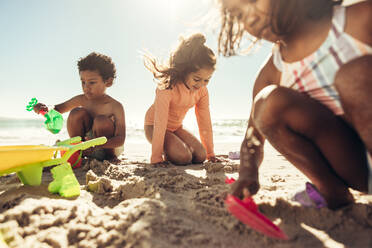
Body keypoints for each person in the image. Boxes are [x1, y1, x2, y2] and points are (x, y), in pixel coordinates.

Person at [217, 0, 372, 209]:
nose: (250, 19)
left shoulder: (360, 19)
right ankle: (331, 190)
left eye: (252, 1)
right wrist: (247, 173)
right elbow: (252, 136)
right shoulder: (272, 73)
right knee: (267, 103)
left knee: (353, 76)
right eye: (238, 15)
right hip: (356, 168)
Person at [144, 33, 220, 165]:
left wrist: (210, 153)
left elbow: (204, 121)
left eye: (207, 80)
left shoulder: (202, 91)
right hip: (154, 126)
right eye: (197, 79)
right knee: (183, 157)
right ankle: (168, 152)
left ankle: (175, 149)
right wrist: (156, 157)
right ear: (185, 70)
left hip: (176, 128)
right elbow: (160, 122)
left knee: (200, 156)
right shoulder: (167, 86)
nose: (201, 84)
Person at [34, 52, 126, 161]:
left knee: (101, 121)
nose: (86, 88)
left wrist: (98, 145)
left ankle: (110, 158)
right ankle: (77, 152)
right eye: (83, 82)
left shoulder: (115, 106)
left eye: (92, 83)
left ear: (108, 82)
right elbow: (57, 109)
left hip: (108, 147)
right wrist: (45, 109)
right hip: (85, 146)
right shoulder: (81, 99)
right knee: (76, 112)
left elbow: (120, 139)